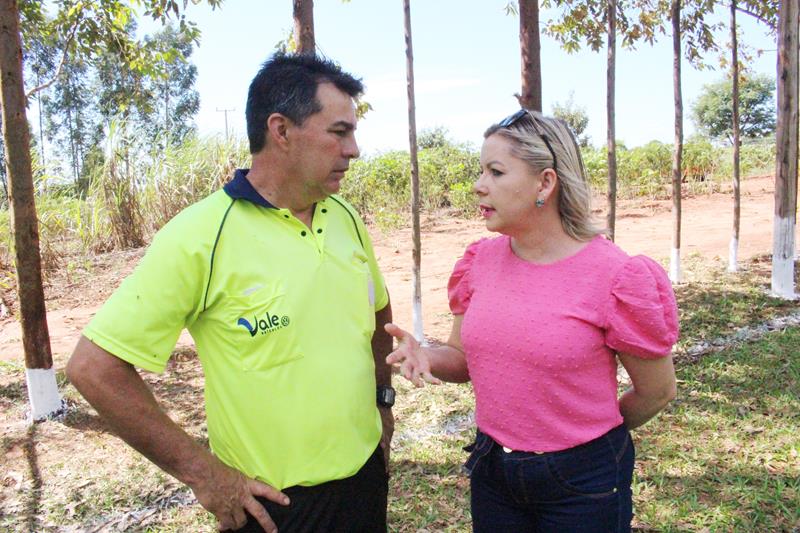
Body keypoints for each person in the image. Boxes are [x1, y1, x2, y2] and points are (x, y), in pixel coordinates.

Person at [66, 52, 395, 533]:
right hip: (274, 507)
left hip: (366, 480)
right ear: (280, 131)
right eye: (339, 132)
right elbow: (93, 368)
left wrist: (383, 403)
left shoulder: (343, 216)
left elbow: (378, 312)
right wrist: (205, 475)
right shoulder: (201, 235)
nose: (354, 150)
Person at [385, 109, 679, 532]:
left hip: (584, 482)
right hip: (493, 473)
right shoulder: (479, 262)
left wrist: (585, 442)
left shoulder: (616, 275)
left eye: (496, 172)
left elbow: (657, 391)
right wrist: (428, 356)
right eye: (481, 170)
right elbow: (462, 359)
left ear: (545, 182)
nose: (478, 185)